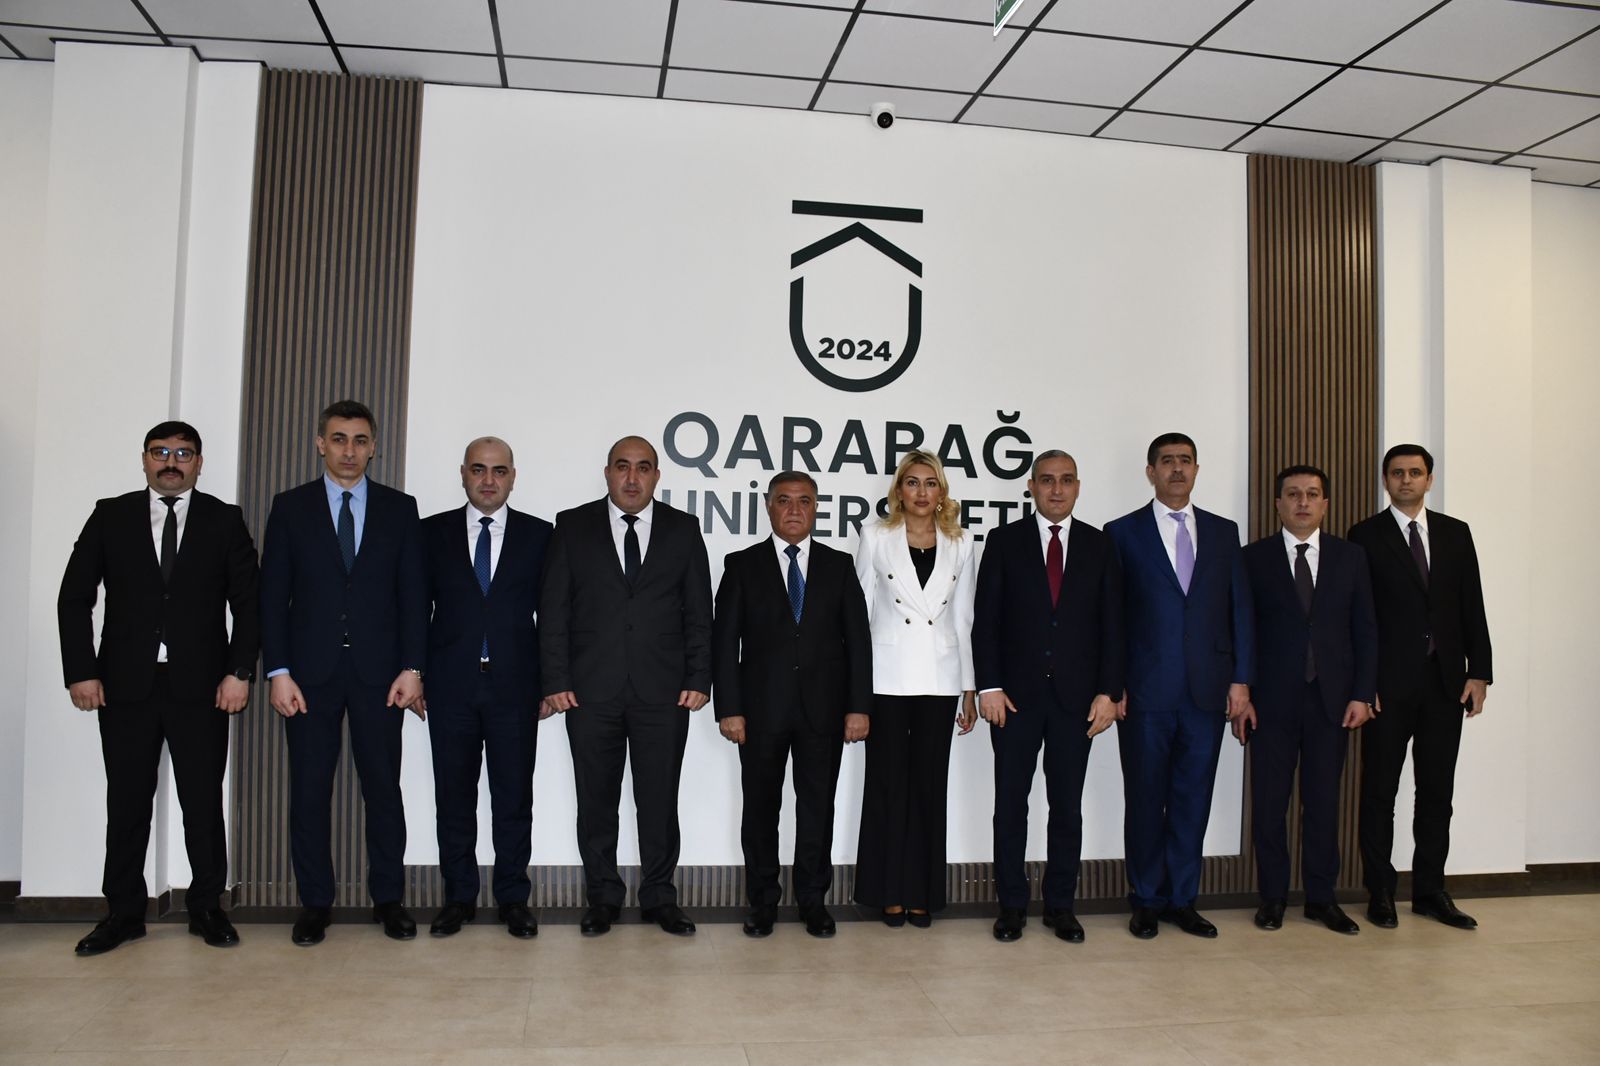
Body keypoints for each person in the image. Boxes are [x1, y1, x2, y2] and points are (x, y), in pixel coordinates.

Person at [58, 421, 259, 956]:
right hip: (125, 687)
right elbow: (74, 596)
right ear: (145, 459)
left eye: (183, 453)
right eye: (160, 452)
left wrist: (239, 672)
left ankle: (207, 907)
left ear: (199, 462)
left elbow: (249, 604)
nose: (171, 462)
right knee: (126, 802)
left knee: (202, 801)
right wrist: (81, 670)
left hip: (202, 687)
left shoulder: (224, 519)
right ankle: (123, 913)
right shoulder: (111, 515)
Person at [260, 400, 427, 946]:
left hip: (382, 676)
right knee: (309, 791)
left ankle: (388, 900)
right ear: (320, 444)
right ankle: (315, 903)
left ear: (373, 447)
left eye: (359, 440)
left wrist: (413, 668)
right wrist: (278, 671)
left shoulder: (400, 509)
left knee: (383, 790)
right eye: (338, 439)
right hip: (308, 677)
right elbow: (272, 597)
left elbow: (414, 597)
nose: (349, 451)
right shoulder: (290, 508)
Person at [539, 435, 712, 936]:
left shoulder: (683, 529)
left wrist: (699, 676)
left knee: (659, 801)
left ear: (657, 475)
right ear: (607, 472)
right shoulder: (573, 526)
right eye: (622, 466)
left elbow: (699, 611)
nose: (632, 478)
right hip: (589, 691)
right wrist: (555, 679)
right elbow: (554, 610)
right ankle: (603, 897)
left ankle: (660, 896)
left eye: (643, 468)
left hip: (665, 692)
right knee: (596, 801)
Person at [1105, 432, 1254, 940]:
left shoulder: (1223, 532)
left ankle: (1183, 900)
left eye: (1185, 461)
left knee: (1193, 800)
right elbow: (1113, 618)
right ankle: (1146, 899)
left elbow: (1239, 610)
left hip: (1207, 693)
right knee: (1146, 800)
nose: (1176, 469)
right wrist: (1114, 684)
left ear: (1196, 469)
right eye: (1166, 461)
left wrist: (1241, 680)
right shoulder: (1122, 533)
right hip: (1145, 693)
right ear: (1150, 472)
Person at [712, 471, 872, 938]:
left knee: (817, 809)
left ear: (816, 508)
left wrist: (859, 706)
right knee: (760, 810)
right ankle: (762, 901)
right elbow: (725, 644)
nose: (795, 509)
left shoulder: (839, 566)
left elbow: (858, 642)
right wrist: (729, 708)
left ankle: (812, 901)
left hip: (825, 712)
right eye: (784, 500)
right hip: (759, 712)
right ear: (769, 507)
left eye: (804, 500)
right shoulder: (742, 565)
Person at [974, 450, 1123, 942]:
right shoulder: (1004, 541)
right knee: (1010, 806)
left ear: (1077, 487)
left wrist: (1109, 691)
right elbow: (986, 621)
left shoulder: (1101, 545)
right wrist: (989, 687)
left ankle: (1061, 905)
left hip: (1077, 702)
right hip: (1014, 701)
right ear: (1031, 487)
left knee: (1067, 807)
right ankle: (1011, 906)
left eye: (1066, 480)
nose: (1056, 489)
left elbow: (1114, 625)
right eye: (1046, 480)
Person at [1349, 444, 1492, 931]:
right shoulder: (1365, 535)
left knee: (1436, 792)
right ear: (1385, 481)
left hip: (1445, 684)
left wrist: (1479, 672)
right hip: (1387, 687)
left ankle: (1431, 891)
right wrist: (1364, 683)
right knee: (1379, 792)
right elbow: (1360, 616)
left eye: (1415, 472)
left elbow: (1471, 604)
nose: (1406, 480)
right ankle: (1381, 892)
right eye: (1397, 473)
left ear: (1430, 480)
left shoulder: (1455, 533)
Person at [421, 437, 552, 939]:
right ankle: (459, 897)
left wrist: (550, 682)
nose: (488, 480)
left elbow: (554, 615)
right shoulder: (431, 533)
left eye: (499, 471)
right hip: (450, 687)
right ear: (463, 474)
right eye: (479, 469)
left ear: (513, 476)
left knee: (513, 799)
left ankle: (513, 898)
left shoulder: (540, 536)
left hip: (516, 688)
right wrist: (414, 672)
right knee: (454, 798)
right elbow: (414, 609)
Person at [1240, 465, 1376, 935]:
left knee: (1323, 803)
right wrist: (1243, 692)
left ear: (1325, 504)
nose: (1302, 502)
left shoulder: (1350, 557)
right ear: (1278, 503)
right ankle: (1273, 897)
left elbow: (1365, 629)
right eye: (1293, 494)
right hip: (1270, 702)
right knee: (1270, 804)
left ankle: (1322, 898)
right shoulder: (1253, 558)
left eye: (1312, 494)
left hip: (1332, 701)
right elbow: (1242, 631)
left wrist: (1362, 693)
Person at [851, 450, 977, 928]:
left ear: (941, 492)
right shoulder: (875, 537)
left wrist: (969, 688)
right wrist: (856, 689)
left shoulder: (962, 542)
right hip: (886, 677)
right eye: (912, 482)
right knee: (886, 787)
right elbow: (858, 616)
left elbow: (964, 618)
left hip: (940, 679)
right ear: (899, 490)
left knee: (928, 787)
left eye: (930, 483)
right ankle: (886, 893)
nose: (922, 492)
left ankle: (922, 892)